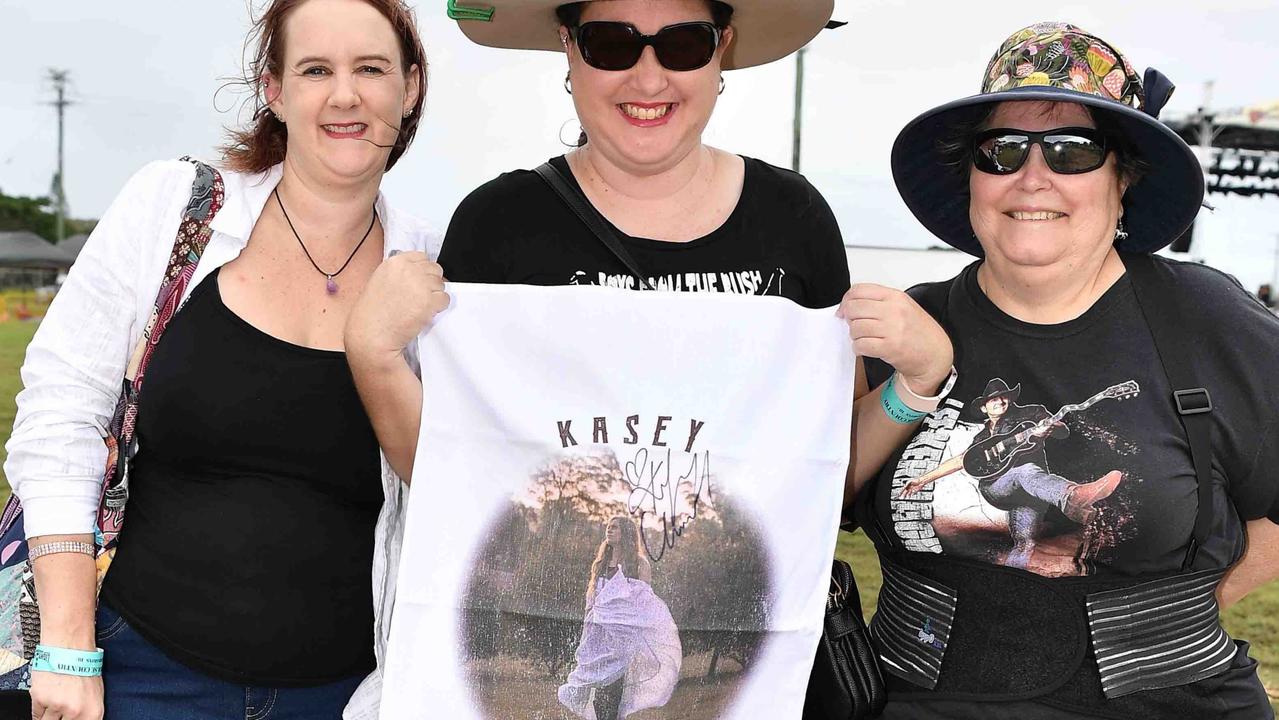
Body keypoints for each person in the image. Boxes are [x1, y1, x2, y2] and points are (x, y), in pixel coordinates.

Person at [345, 0, 954, 519]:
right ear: (568, 49)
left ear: (721, 51)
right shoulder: (498, 223)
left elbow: (823, 475)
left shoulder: (795, 218)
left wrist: (916, 385)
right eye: (611, 44)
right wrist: (375, 355)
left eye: (683, 45)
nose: (648, 78)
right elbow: (450, 470)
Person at [3, 0, 435, 718]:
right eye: (315, 69)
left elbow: (455, 490)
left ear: (410, 87)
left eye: (371, 69)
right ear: (274, 91)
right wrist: (69, 647)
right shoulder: (176, 210)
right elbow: (60, 418)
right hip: (138, 672)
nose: (345, 95)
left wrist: (380, 349)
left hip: (344, 696)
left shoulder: (432, 269)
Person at [852, 21, 1279, 719]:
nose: (1032, 175)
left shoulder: (1207, 320)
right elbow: (804, 501)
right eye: (1002, 150)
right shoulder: (902, 330)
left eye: (1073, 150)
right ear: (970, 178)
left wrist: (1168, 621)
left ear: (1122, 182)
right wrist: (909, 386)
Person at [558, 515, 680, 720]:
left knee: (613, 693)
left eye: (615, 528)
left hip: (622, 640)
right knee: (597, 693)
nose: (609, 530)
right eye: (608, 527)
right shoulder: (600, 563)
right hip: (598, 638)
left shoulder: (639, 565)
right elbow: (593, 600)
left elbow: (643, 604)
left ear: (626, 534)